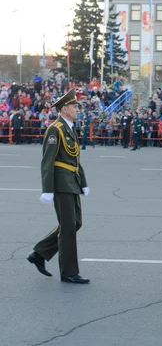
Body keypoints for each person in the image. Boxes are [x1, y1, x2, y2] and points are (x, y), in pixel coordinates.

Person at [27, 89, 91, 284]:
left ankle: (39, 253)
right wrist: (47, 189)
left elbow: (74, 159)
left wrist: (84, 182)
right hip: (61, 184)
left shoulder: (69, 128)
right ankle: (69, 272)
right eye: (74, 106)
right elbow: (47, 161)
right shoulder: (56, 129)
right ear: (64, 109)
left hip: (72, 182)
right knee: (68, 228)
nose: (77, 109)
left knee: (75, 223)